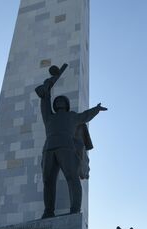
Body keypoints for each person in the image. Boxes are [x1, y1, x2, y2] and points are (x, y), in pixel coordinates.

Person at [35, 64, 107, 218]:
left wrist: (96, 109)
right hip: (48, 149)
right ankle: (48, 212)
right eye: (57, 101)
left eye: (62, 100)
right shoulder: (49, 116)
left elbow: (85, 116)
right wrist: (48, 83)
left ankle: (75, 210)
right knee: (48, 181)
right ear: (54, 105)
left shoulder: (72, 116)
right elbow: (44, 96)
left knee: (72, 178)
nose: (59, 102)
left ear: (67, 105)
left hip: (66, 148)